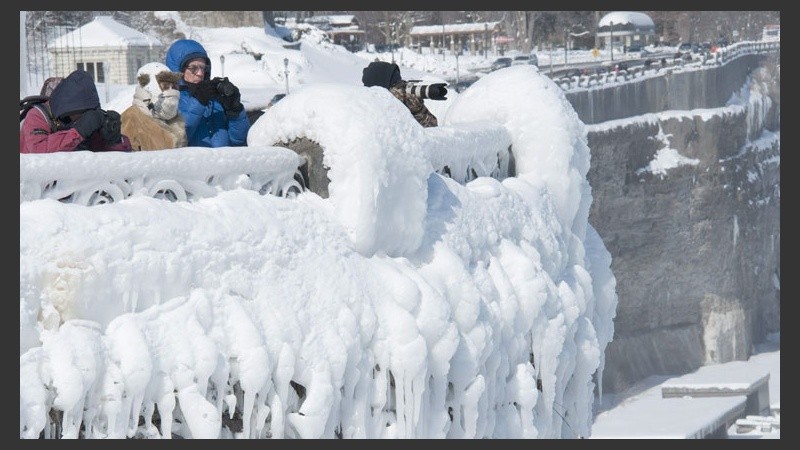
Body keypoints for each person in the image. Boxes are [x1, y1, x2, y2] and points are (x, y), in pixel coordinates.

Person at [20, 69, 132, 154]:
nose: (82, 117)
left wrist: (114, 139)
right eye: (80, 113)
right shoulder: (37, 115)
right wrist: (78, 132)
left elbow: (118, 159)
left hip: (77, 181)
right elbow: (38, 151)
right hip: (34, 182)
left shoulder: (83, 119)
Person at [165, 38, 250, 147]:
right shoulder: (169, 102)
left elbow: (239, 141)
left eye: (203, 68)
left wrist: (235, 110)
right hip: (193, 163)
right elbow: (175, 141)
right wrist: (198, 102)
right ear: (178, 70)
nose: (200, 73)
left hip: (224, 162)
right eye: (193, 68)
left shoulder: (214, 101)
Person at [120, 62, 187, 151]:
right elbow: (127, 161)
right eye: (165, 86)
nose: (172, 91)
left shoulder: (176, 123)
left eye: (174, 86)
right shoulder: (131, 118)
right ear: (150, 88)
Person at [361, 61, 442, 128]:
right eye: (396, 85)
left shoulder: (406, 100)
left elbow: (432, 130)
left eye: (400, 83)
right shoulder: (373, 111)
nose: (403, 88)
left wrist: (418, 110)